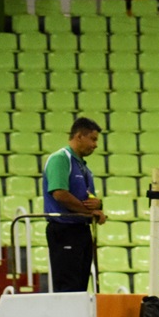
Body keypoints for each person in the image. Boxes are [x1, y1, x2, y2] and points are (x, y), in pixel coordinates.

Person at [43, 116, 107, 293]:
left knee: (80, 288)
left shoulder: (84, 168)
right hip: (64, 230)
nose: (95, 145)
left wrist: (98, 205)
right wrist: (90, 212)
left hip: (81, 231)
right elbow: (59, 193)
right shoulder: (60, 159)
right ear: (79, 136)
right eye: (93, 139)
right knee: (68, 287)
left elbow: (89, 199)